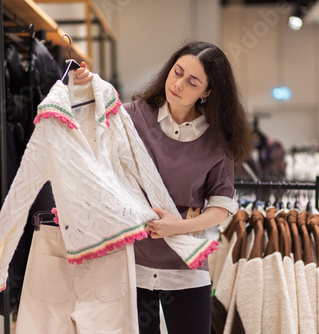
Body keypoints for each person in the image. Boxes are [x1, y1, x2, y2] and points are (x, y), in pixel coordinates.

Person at [73, 41, 252, 334]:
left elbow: (221, 206)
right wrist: (83, 88)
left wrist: (176, 226)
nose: (178, 84)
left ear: (207, 92)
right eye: (177, 72)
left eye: (192, 82)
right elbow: (89, 134)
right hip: (131, 266)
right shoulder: (131, 117)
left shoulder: (218, 140)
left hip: (186, 269)